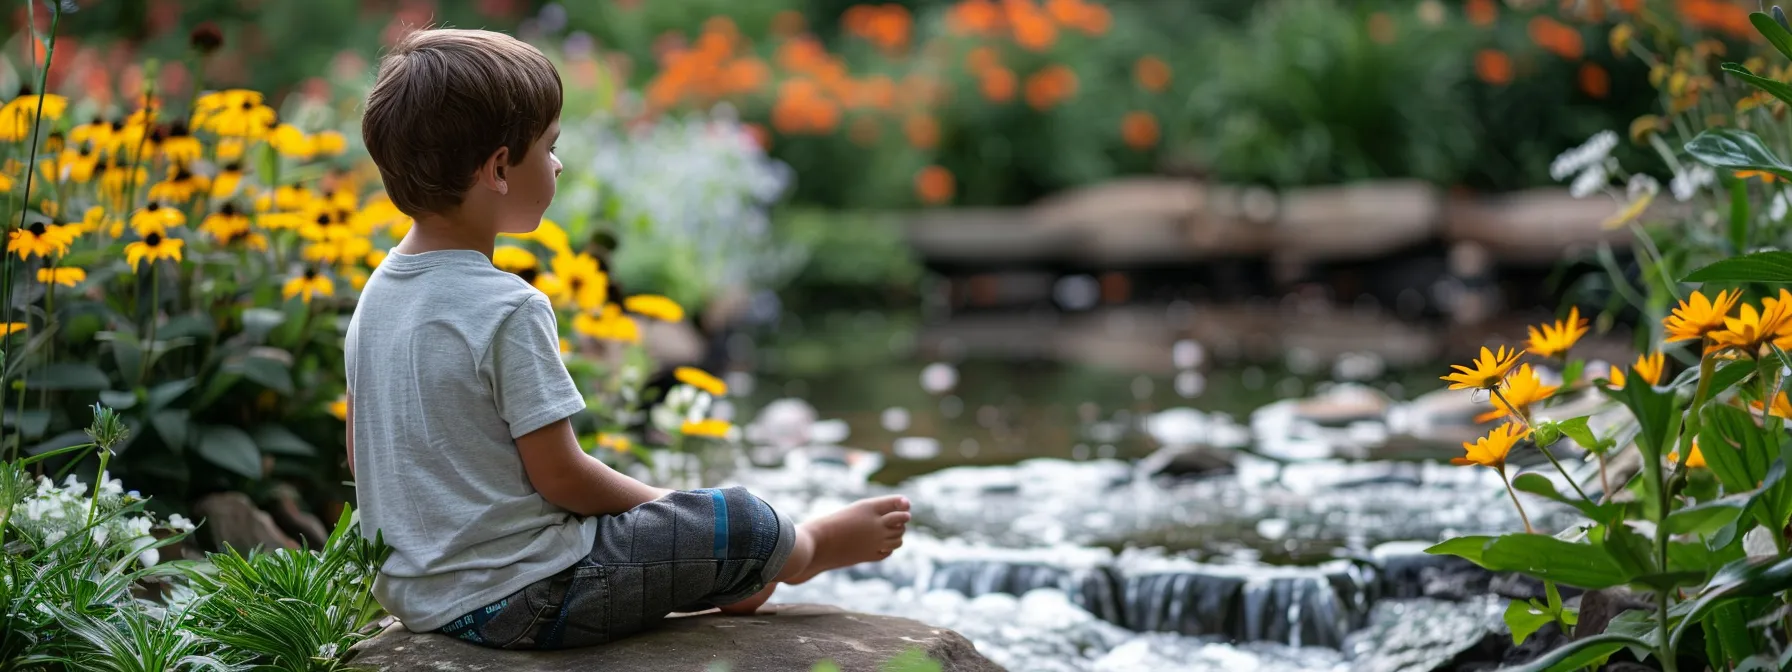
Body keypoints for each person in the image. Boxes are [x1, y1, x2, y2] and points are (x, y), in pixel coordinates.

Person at [345, 28, 910, 649]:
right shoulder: (508, 308)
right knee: (737, 516)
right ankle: (804, 550)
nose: (557, 164)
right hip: (529, 597)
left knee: (680, 528)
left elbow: (363, 456)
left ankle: (731, 575)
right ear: (499, 169)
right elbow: (564, 479)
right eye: (549, 147)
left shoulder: (378, 296)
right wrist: (671, 506)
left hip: (421, 597)